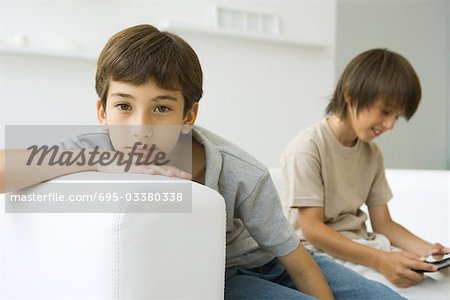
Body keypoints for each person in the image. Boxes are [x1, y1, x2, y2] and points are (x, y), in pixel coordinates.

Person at [0, 26, 403, 299]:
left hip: (270, 261)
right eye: (124, 106)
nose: (139, 126)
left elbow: (294, 258)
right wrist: (102, 159)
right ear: (102, 111)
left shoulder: (240, 170)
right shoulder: (94, 145)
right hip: (222, 275)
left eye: (161, 108)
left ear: (188, 116)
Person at [281, 48, 450, 299]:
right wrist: (382, 260)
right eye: (385, 111)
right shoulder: (308, 147)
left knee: (441, 283)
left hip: (366, 246)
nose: (390, 125)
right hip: (319, 256)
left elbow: (384, 224)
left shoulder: (372, 154)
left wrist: (433, 251)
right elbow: (313, 229)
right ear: (350, 94)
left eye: (396, 117)